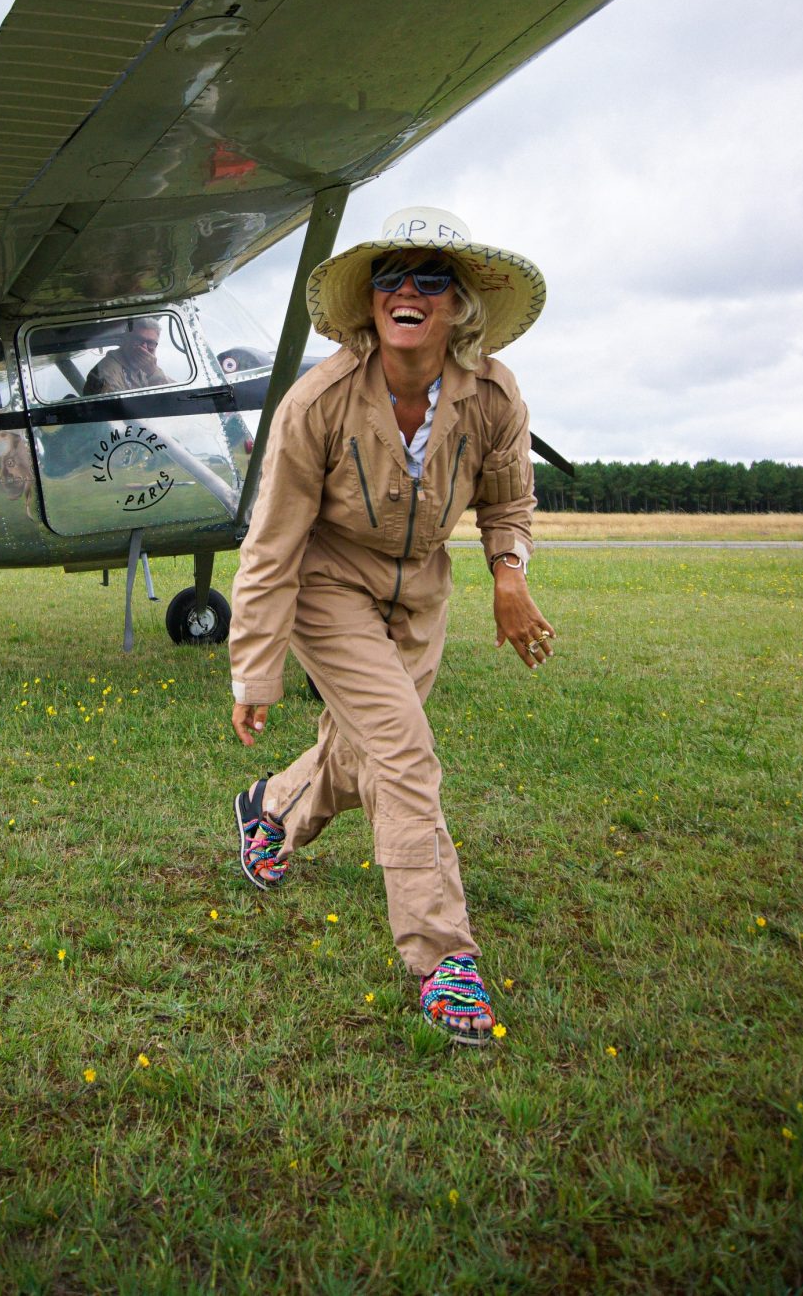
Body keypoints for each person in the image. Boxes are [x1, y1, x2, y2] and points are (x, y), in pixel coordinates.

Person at [228, 206, 556, 1047]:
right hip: (327, 584)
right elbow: (272, 541)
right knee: (404, 751)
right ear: (370, 302)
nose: (407, 291)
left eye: (430, 279)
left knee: (370, 745)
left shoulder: (494, 395)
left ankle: (269, 808)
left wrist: (508, 575)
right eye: (390, 277)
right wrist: (256, 669)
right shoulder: (319, 400)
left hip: (421, 591)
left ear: (459, 306)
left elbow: (509, 501)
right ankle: (443, 955)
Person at [84, 317, 172, 395]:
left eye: (151, 343)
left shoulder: (146, 368)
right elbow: (121, 409)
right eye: (138, 340)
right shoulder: (107, 370)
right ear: (127, 340)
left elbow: (175, 395)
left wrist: (153, 373)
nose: (144, 348)